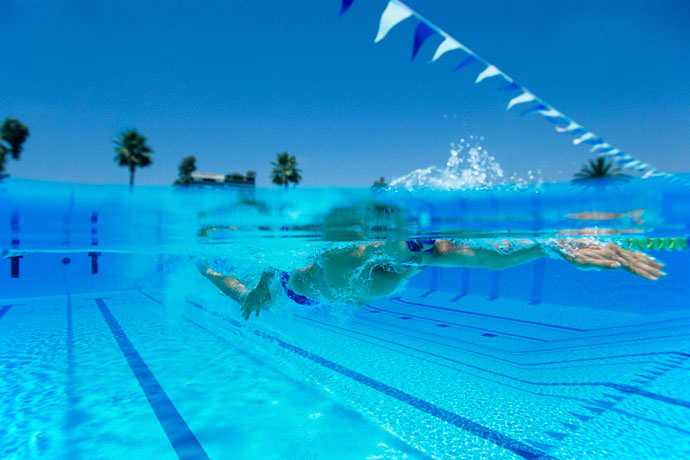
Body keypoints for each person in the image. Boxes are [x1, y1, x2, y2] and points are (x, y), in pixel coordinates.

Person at [196, 236, 665, 320]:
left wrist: (554, 249)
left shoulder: (429, 252)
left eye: (426, 243)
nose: (424, 250)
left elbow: (491, 260)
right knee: (243, 296)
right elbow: (278, 261)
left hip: (333, 294)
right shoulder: (346, 251)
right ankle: (205, 266)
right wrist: (261, 284)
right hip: (295, 291)